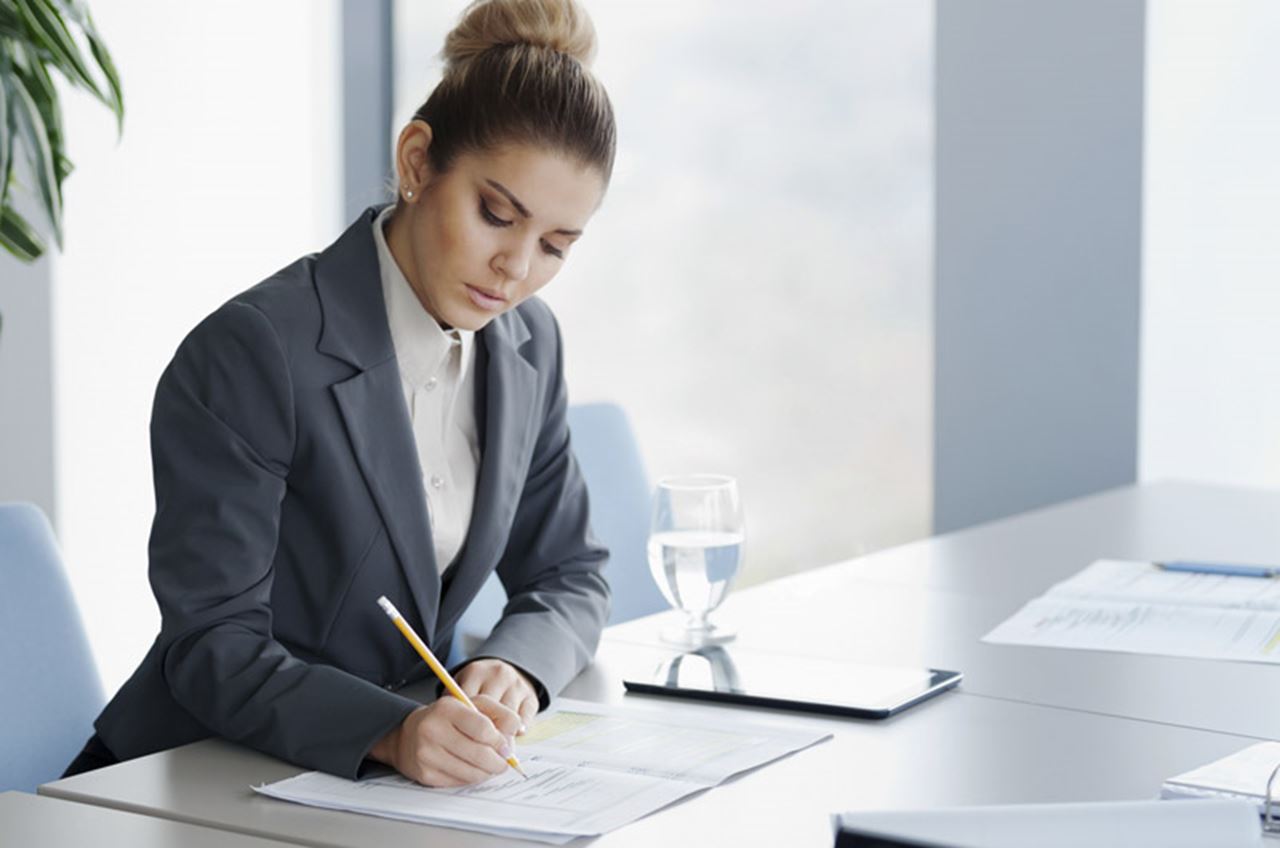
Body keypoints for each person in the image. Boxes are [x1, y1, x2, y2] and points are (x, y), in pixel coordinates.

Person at [64, 0, 616, 789]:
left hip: (380, 794)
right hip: (193, 778)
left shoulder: (529, 344)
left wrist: (513, 667)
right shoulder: (256, 351)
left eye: (556, 246)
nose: (517, 269)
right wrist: (391, 731)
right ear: (419, 161)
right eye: (497, 215)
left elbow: (569, 572)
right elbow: (212, 645)